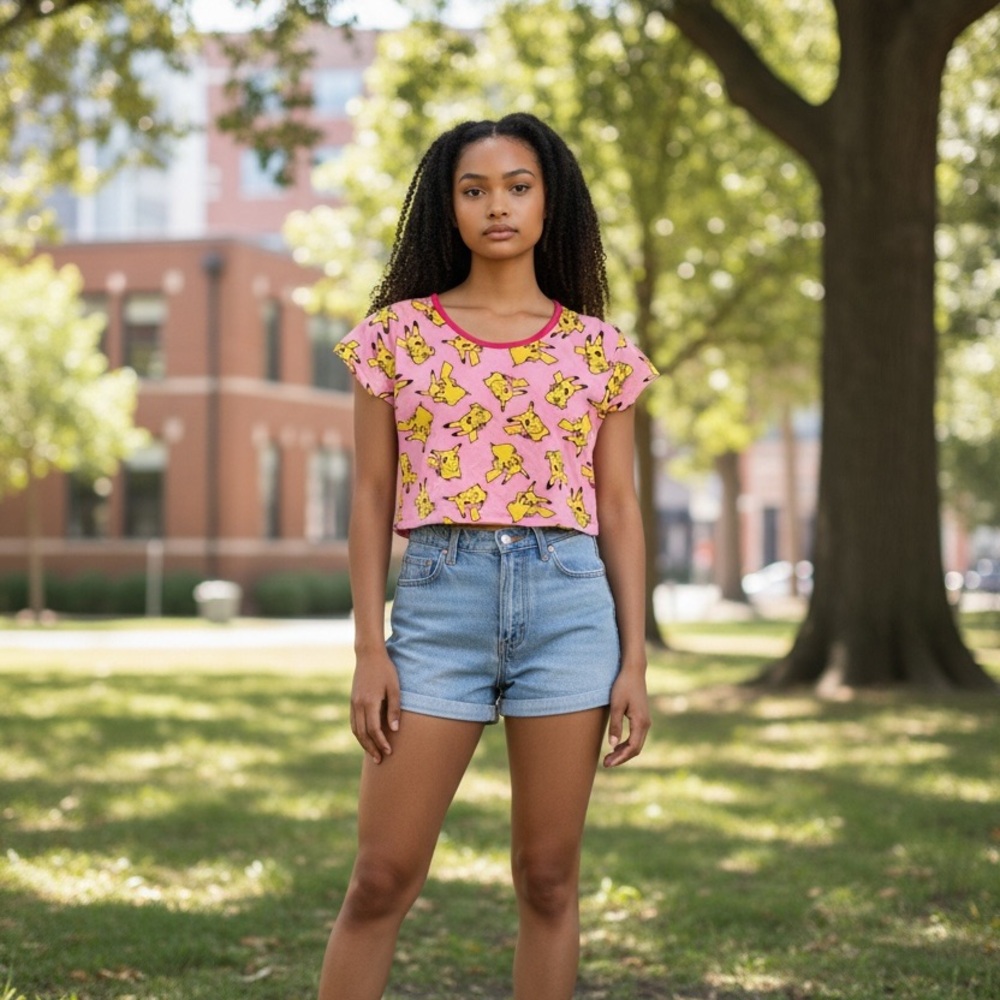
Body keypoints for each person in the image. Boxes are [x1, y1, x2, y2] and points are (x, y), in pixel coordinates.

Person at [319, 112, 658, 1000]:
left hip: (569, 610)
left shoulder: (600, 350)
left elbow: (618, 507)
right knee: (380, 879)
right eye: (474, 189)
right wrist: (367, 649)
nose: (496, 205)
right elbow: (368, 497)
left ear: (551, 202)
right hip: (439, 607)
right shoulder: (395, 337)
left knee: (549, 882)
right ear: (449, 206)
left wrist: (635, 660)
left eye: (517, 186)